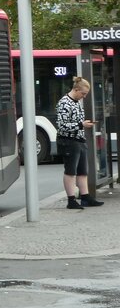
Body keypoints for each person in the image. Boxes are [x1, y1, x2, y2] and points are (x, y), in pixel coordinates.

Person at [56, 76, 101, 209]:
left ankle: (85, 196)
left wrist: (83, 125)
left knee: (82, 171)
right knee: (70, 171)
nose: (84, 96)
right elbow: (61, 125)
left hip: (79, 140)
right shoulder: (64, 103)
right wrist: (81, 125)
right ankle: (71, 200)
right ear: (76, 90)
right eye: (83, 93)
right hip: (68, 140)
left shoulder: (76, 102)